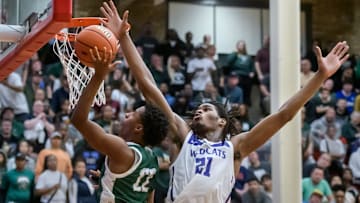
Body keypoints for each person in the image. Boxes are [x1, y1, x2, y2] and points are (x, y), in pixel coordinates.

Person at [101, 1, 349, 202]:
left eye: (206, 109)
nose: (198, 112)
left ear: (221, 120)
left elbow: (284, 114)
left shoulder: (236, 147)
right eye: (198, 109)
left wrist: (319, 77)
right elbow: (148, 86)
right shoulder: (183, 134)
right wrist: (124, 38)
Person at [71, 9, 169, 203]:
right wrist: (110, 180)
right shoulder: (152, 160)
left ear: (139, 128)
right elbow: (148, 199)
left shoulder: (121, 149)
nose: (126, 115)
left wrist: (99, 76)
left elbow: (78, 120)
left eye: (133, 114)